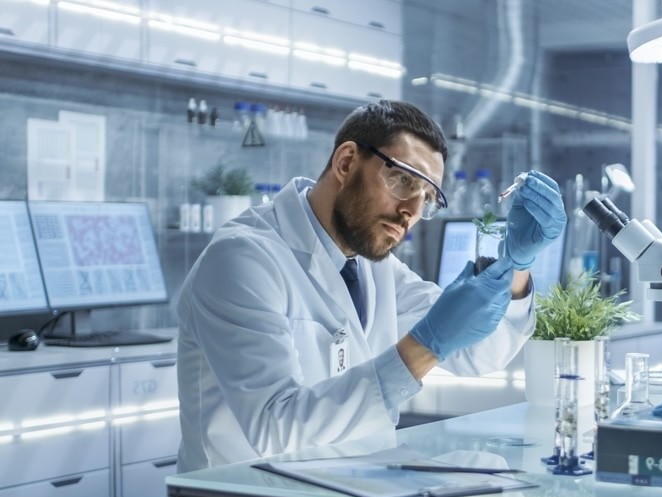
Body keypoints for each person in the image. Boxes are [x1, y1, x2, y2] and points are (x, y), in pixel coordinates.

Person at [175, 100, 567, 472]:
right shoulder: (242, 259)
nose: (412, 211)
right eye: (403, 180)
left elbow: (481, 354)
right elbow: (277, 430)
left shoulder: (374, 268)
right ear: (346, 162)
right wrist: (423, 348)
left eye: (427, 197)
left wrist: (517, 264)